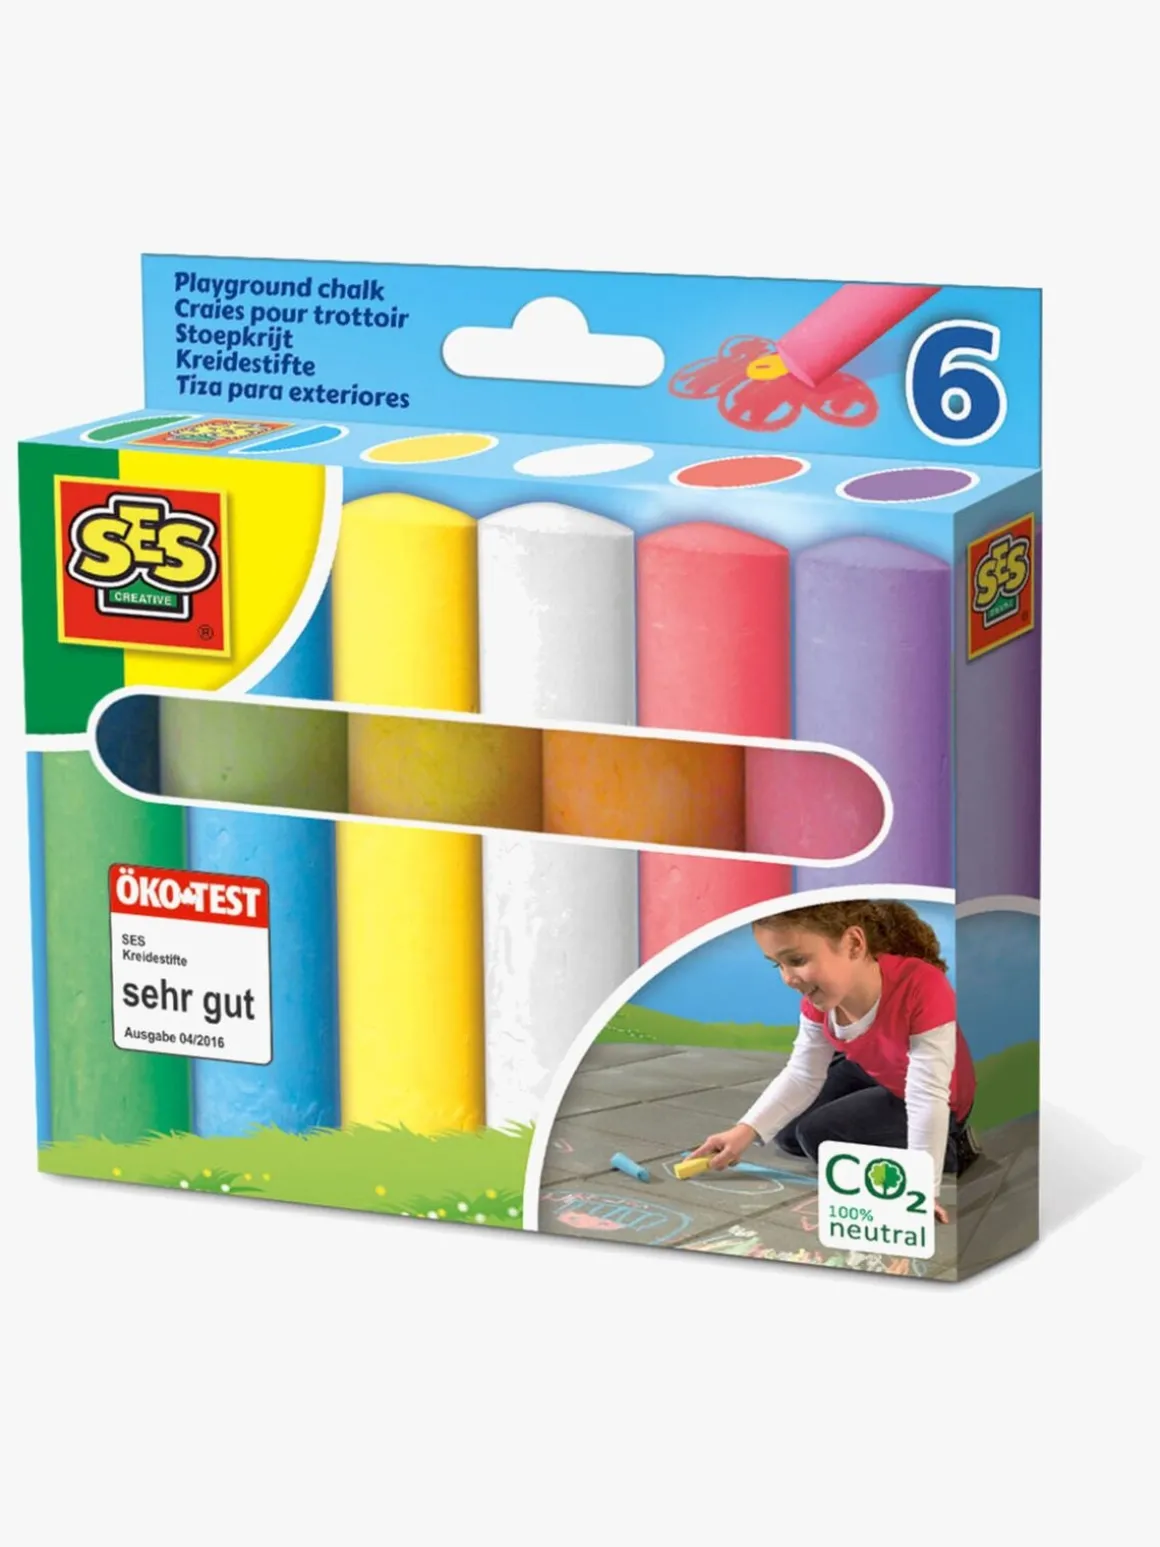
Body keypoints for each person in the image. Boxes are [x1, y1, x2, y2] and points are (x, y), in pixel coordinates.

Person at [691, 901, 981, 1222]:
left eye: (796, 961)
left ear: (854, 944)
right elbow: (803, 1074)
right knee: (785, 1131)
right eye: (778, 965)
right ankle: (880, 1115)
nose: (788, 978)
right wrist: (743, 1132)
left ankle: (955, 1148)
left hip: (942, 1096)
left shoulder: (922, 986)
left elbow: (926, 1095)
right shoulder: (819, 999)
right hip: (879, 1069)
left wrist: (920, 1189)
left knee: (817, 1134)